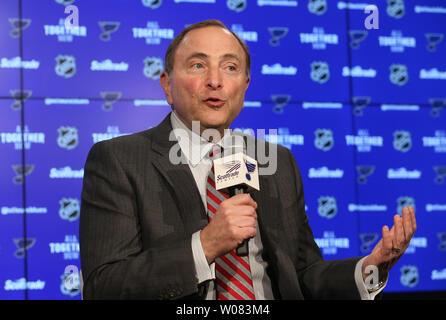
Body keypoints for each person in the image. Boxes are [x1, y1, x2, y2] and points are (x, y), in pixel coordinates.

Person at [79, 19, 417, 300]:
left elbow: (302, 274)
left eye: (230, 67)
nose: (215, 80)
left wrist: (371, 267)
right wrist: (205, 245)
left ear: (244, 85)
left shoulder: (277, 162)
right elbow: (104, 286)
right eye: (198, 65)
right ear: (167, 85)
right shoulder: (119, 159)